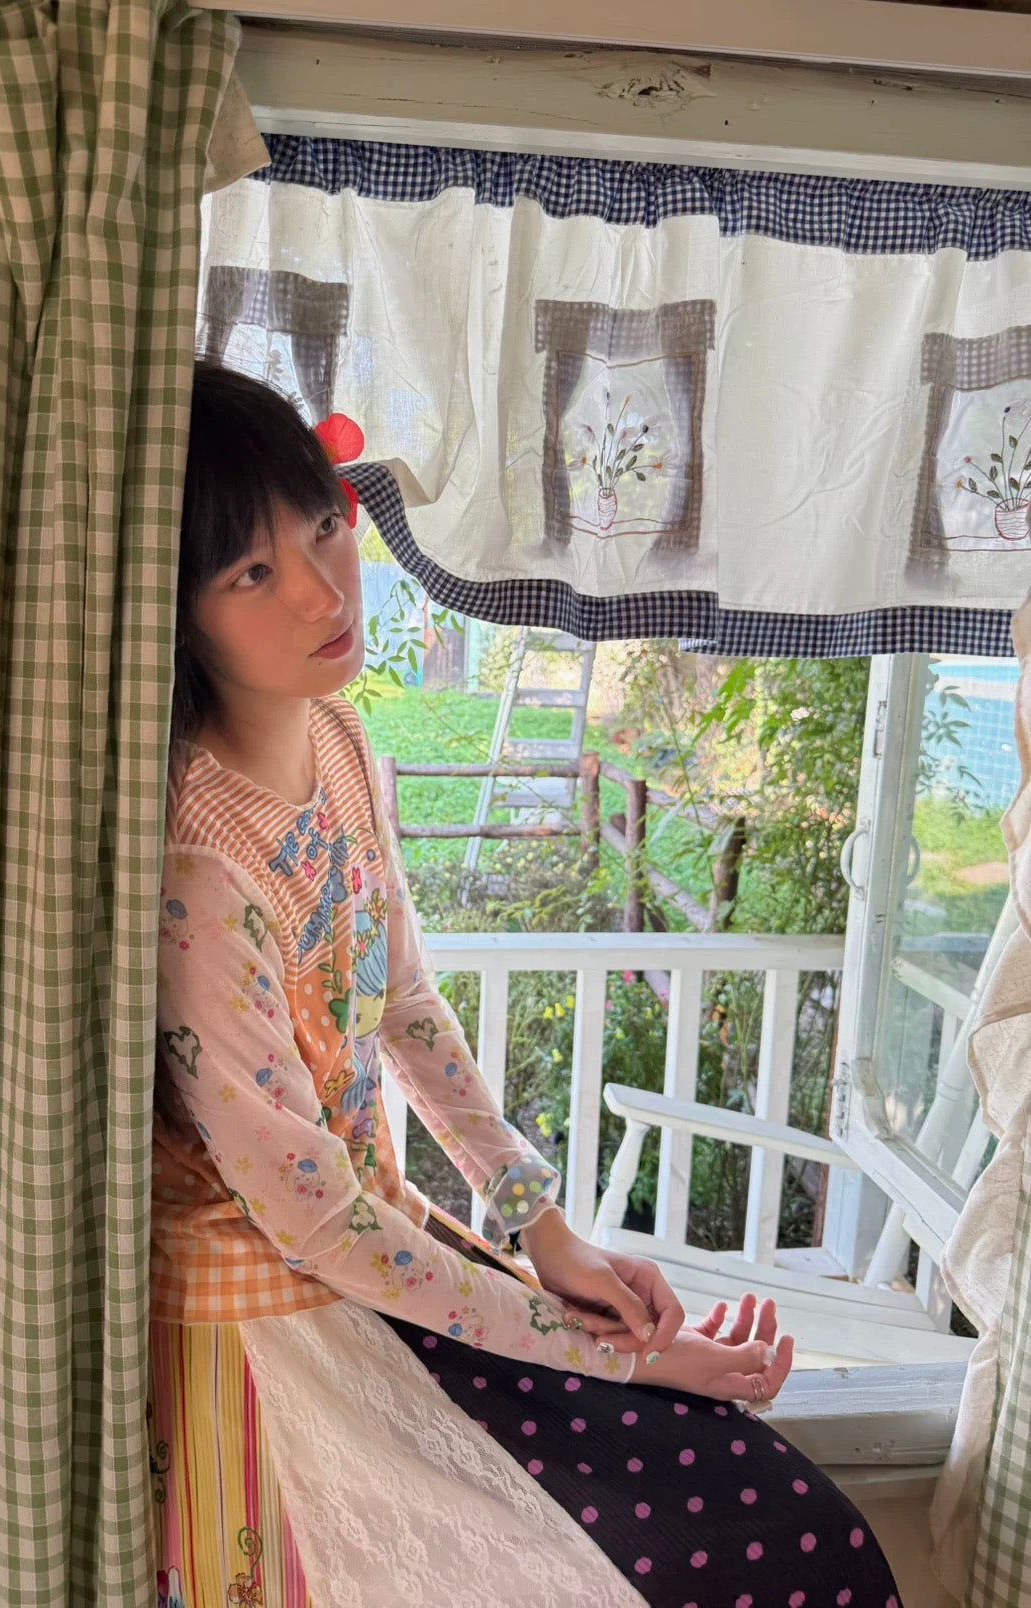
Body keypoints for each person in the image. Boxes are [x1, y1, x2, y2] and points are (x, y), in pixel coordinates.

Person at [145, 361, 904, 1608]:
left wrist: (541, 1231)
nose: (327, 589)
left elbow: (401, 1006)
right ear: (181, 617)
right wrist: (619, 1363)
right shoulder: (201, 866)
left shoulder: (342, 744)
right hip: (264, 1339)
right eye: (252, 572)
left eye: (327, 527)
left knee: (776, 1517)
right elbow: (317, 1221)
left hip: (376, 1264)